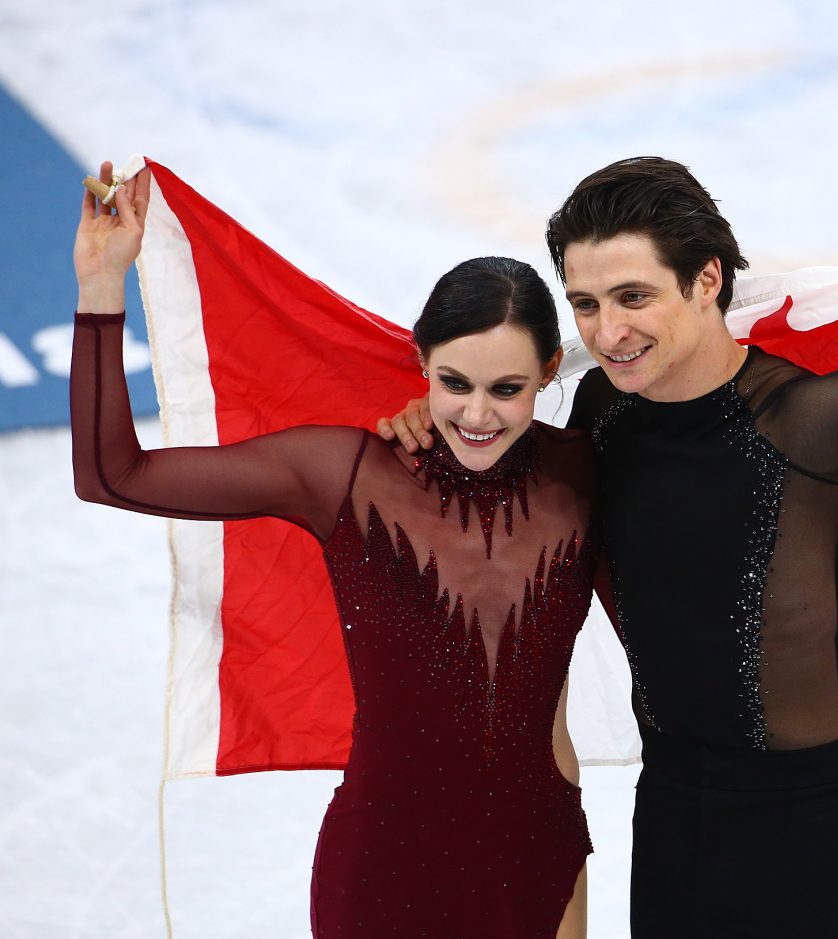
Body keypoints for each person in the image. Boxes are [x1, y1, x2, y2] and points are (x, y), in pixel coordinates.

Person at [381, 126, 838, 936]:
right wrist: (427, 426)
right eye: (585, 303)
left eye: (632, 296)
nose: (607, 330)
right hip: (673, 826)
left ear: (706, 280)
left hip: (820, 835)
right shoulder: (602, 415)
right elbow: (511, 491)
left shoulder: (815, 419)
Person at [71, 163, 598, 938]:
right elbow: (115, 474)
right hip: (385, 858)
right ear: (421, 362)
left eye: (507, 389)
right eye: (454, 382)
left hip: (539, 854)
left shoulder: (586, 473)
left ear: (551, 371)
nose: (478, 413)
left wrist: (825, 657)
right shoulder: (343, 473)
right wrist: (101, 285)